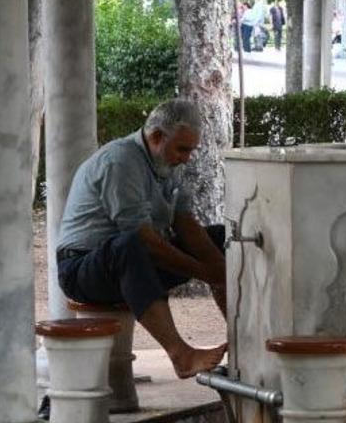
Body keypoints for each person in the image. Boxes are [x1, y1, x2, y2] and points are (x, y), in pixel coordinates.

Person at [56, 99, 227, 379]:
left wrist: (219, 268)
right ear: (158, 137)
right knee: (131, 245)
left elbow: (186, 224)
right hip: (81, 270)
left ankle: (245, 343)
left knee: (220, 238)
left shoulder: (165, 163)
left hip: (133, 263)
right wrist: (205, 272)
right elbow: (143, 239)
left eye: (191, 150)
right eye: (183, 149)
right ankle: (181, 355)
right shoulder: (120, 160)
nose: (187, 158)